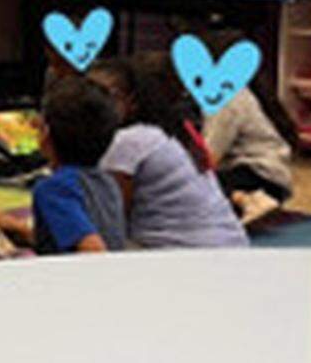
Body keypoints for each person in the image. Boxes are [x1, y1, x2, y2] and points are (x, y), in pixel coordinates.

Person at [90, 56, 248, 249]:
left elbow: (111, 222)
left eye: (105, 97)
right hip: (232, 244)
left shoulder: (128, 142)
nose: (93, 105)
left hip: (184, 254)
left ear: (131, 101)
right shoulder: (174, 131)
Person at [0, 76, 125, 254]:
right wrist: (15, 227)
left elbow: (93, 248)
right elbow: (67, 235)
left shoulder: (54, 188)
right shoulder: (108, 182)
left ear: (45, 134)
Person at [204, 87, 294, 224]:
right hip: (264, 175)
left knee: (191, 185)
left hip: (259, 175)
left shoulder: (225, 100)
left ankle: (249, 200)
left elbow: (208, 159)